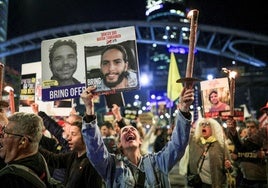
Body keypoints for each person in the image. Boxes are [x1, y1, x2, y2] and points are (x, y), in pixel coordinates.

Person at [81, 85, 194, 187]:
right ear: (119, 142)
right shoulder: (111, 166)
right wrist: (89, 109)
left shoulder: (158, 162)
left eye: (132, 129)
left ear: (140, 140)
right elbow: (95, 150)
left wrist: (184, 109)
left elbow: (178, 145)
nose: (129, 131)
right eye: (124, 131)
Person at [39, 117, 103, 188]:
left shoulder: (91, 163)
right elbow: (53, 159)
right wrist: (34, 146)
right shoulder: (74, 155)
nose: (69, 138)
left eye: (73, 134)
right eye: (69, 134)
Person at [0, 112, 48, 187]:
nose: (1, 137)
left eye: (6, 132)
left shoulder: (11, 179)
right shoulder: (40, 160)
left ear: (23, 141)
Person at [187, 117, 234, 187]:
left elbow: (230, 169)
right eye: (202, 124)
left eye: (207, 124)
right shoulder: (195, 142)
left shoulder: (221, 145)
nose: (204, 126)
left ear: (213, 128)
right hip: (197, 183)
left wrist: (228, 166)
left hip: (215, 184)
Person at [228, 118, 267, 187]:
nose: (249, 129)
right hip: (243, 179)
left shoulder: (263, 141)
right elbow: (235, 159)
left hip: (260, 180)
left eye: (252, 127)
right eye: (247, 127)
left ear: (258, 129)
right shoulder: (242, 142)